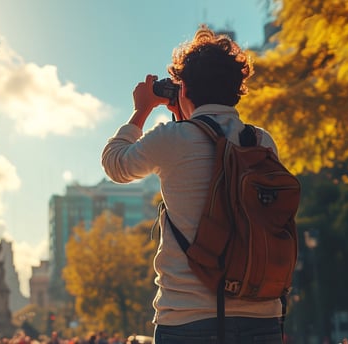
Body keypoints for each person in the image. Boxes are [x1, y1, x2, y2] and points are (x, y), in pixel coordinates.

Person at [101, 24, 282, 343]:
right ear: (238, 88)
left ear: (182, 89)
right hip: (262, 314)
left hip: (188, 318)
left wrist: (141, 111)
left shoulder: (174, 139)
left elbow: (116, 163)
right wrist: (184, 117)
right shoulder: (262, 141)